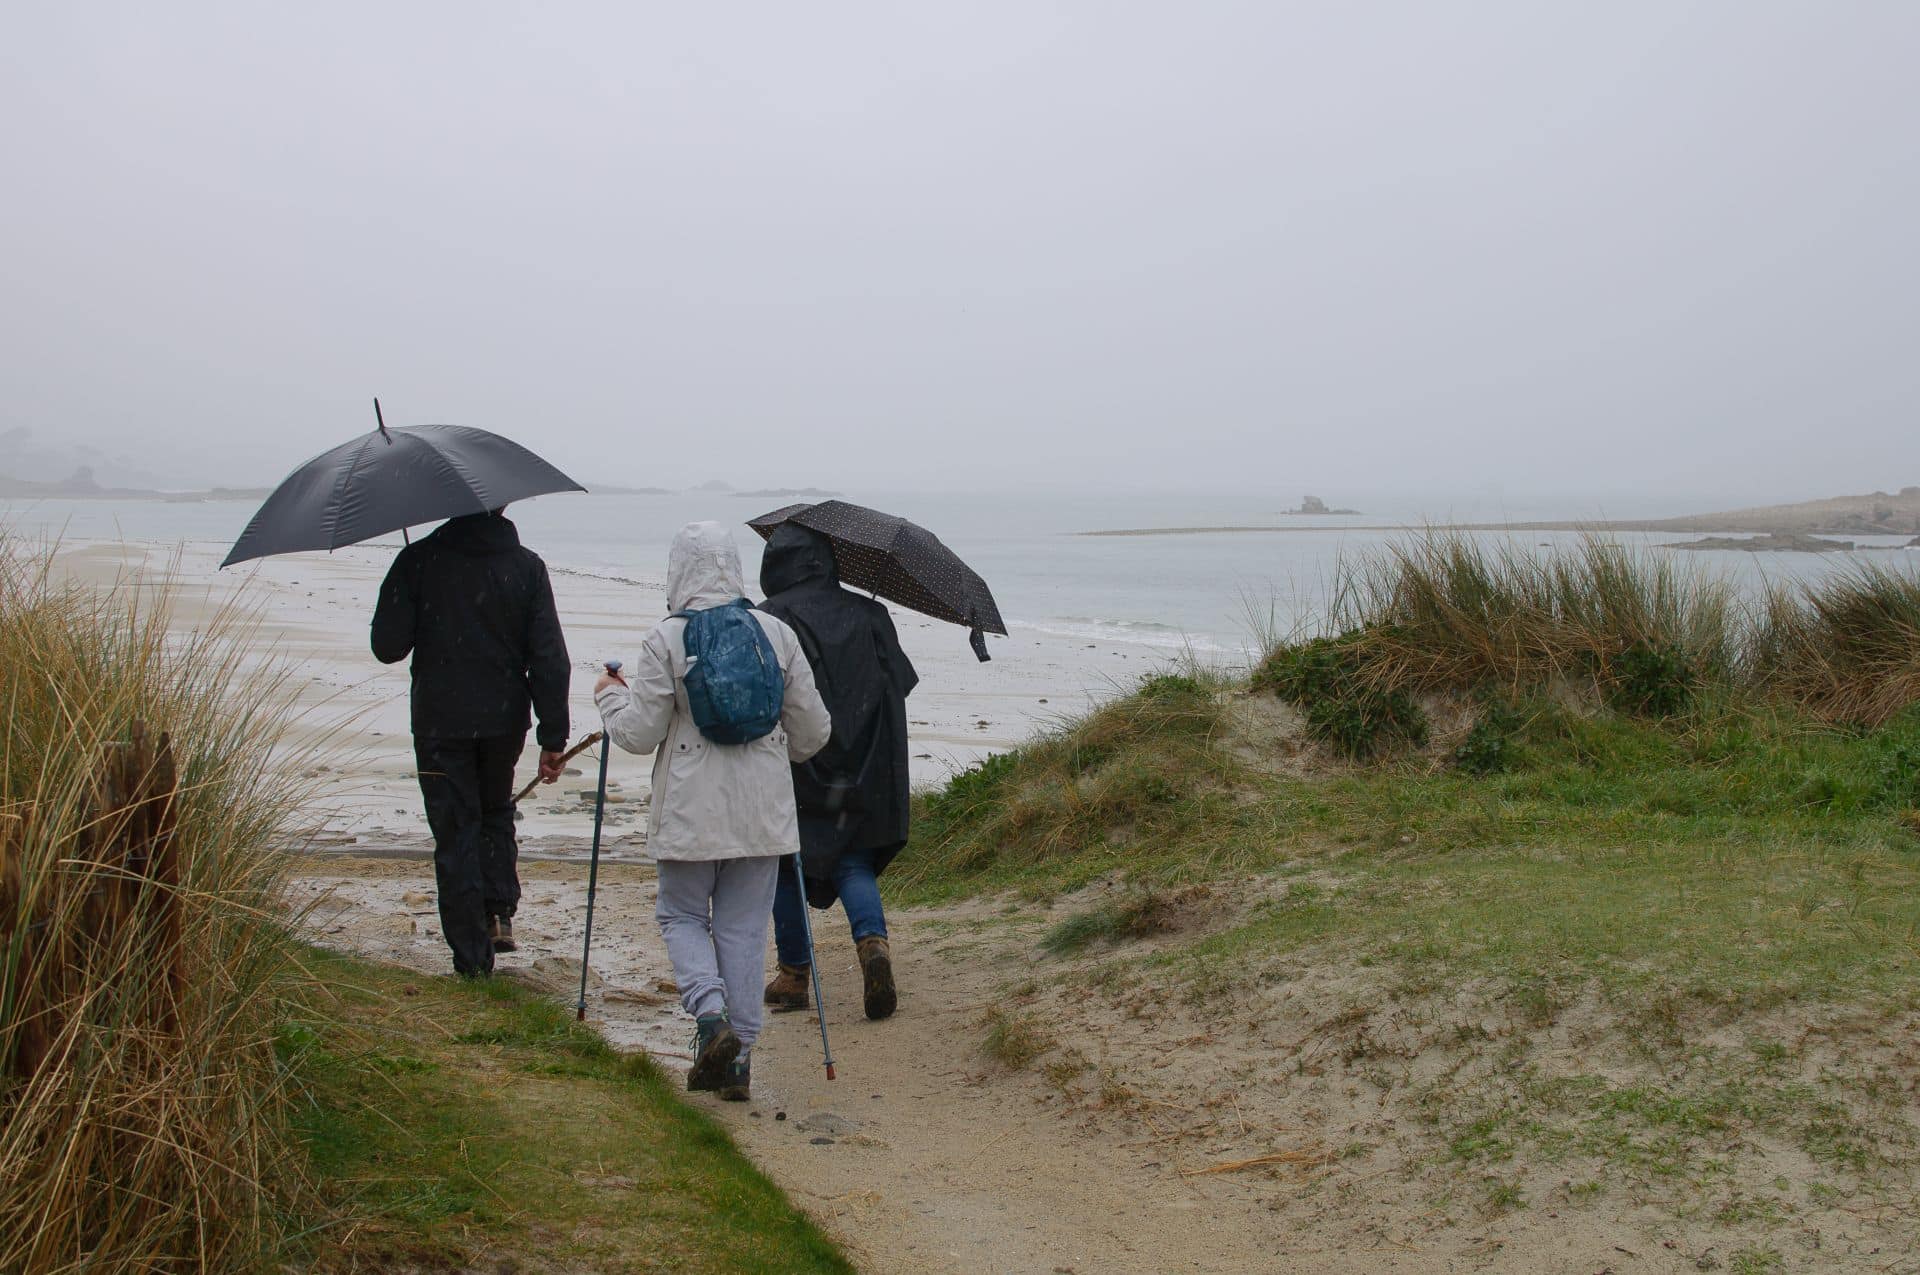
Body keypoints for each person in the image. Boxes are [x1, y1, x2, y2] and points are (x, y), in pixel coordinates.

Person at [595, 521, 830, 1101]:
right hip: (763, 814)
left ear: (676, 571)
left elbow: (637, 734)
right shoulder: (775, 635)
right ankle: (740, 1059)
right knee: (743, 930)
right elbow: (813, 733)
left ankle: (709, 1017)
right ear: (734, 567)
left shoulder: (666, 638)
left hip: (690, 813)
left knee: (681, 916)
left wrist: (608, 695)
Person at [371, 508, 569, 979]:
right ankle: (498, 912)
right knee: (494, 810)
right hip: (503, 719)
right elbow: (548, 656)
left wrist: (409, 592)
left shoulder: (418, 560)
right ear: (502, 506)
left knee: (457, 829)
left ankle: (472, 958)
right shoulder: (526, 566)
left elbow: (387, 646)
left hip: (441, 719)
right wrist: (552, 734)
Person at [757, 524, 919, 1022]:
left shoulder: (769, 619)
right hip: (866, 758)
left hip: (799, 757)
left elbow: (763, 690)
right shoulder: (870, 613)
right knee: (853, 860)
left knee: (787, 862)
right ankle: (872, 947)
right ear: (828, 561)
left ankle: (793, 974)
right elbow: (902, 682)